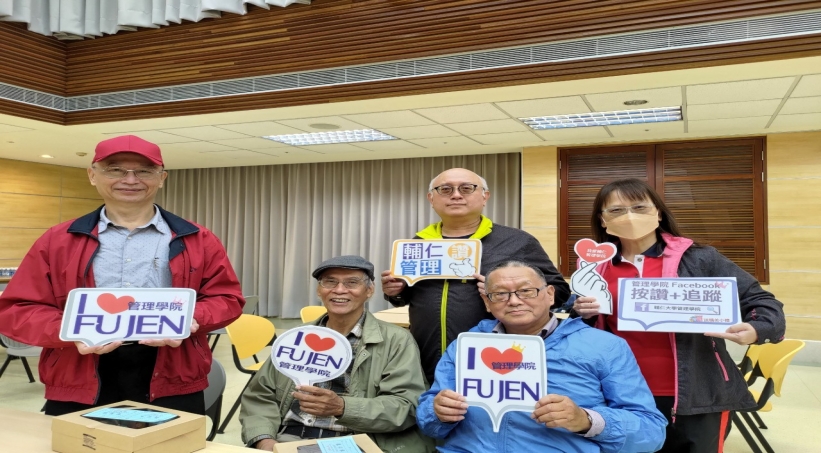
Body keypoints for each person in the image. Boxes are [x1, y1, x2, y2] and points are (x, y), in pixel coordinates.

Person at [0, 135, 244, 416]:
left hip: (172, 370)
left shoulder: (197, 239)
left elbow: (227, 298)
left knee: (170, 440)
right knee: (80, 440)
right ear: (92, 175)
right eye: (115, 170)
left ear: (162, 178)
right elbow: (17, 309)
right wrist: (69, 330)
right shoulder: (57, 240)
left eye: (144, 171)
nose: (130, 180)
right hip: (78, 368)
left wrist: (190, 318)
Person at [572, 178, 786, 453]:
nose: (629, 216)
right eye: (616, 210)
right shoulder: (596, 268)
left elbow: (761, 301)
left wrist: (757, 329)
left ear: (658, 213)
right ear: (603, 220)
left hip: (696, 392)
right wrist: (582, 311)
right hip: (621, 392)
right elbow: (581, 325)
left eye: (639, 207)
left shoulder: (699, 258)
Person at [417, 260, 666, 453]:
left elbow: (651, 431)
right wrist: (438, 412)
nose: (514, 301)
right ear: (487, 302)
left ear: (550, 294)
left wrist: (586, 420)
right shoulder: (467, 345)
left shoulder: (604, 346)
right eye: (500, 294)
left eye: (526, 291)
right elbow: (428, 421)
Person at [381, 168, 569, 383]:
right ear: (431, 199)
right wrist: (395, 291)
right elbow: (406, 296)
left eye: (466, 188)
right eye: (445, 189)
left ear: (485, 196)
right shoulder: (417, 245)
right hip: (425, 356)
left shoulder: (517, 241)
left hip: (496, 358)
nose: (456, 195)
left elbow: (558, 291)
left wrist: (505, 291)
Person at [240, 255, 434, 453]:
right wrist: (265, 442)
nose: (339, 290)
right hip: (288, 438)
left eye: (352, 282)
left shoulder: (396, 340)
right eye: (330, 282)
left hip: (357, 440)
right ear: (319, 290)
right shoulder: (296, 338)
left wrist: (342, 407)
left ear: (369, 290)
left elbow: (405, 406)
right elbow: (260, 396)